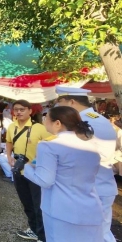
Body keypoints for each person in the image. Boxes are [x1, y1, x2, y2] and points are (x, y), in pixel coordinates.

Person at [22, 106, 102, 242]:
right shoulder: (92, 145)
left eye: (46, 118)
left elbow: (45, 180)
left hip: (60, 209)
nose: (44, 120)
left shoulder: (48, 146)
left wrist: (26, 167)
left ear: (57, 123)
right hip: (91, 207)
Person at [55, 86, 118, 242]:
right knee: (100, 231)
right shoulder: (97, 118)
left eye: (59, 102)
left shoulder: (83, 122)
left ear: (71, 102)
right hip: (100, 185)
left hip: (91, 188)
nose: (57, 106)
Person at [5, 100, 52, 242]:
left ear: (30, 111)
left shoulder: (40, 128)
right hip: (19, 171)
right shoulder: (11, 127)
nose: (19, 112)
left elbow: (52, 145)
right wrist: (9, 156)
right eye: (16, 109)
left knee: (39, 206)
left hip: (36, 172)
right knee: (27, 204)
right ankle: (33, 229)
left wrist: (39, 160)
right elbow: (8, 142)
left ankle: (42, 235)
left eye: (22, 109)